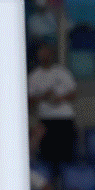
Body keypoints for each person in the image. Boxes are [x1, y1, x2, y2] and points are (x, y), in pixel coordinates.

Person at [27, 43, 77, 174]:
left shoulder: (61, 72)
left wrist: (59, 98)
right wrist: (44, 96)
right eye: (42, 53)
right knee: (48, 156)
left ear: (52, 54)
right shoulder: (34, 76)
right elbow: (30, 99)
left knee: (66, 155)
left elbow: (73, 93)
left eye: (47, 53)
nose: (44, 56)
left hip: (65, 118)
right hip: (46, 118)